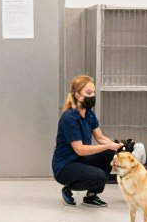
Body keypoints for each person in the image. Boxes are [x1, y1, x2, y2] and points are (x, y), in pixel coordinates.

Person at [52, 75, 124, 207]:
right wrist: (108, 145)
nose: (92, 96)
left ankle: (91, 196)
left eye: (94, 92)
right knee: (99, 176)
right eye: (88, 93)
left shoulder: (89, 113)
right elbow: (80, 149)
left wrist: (118, 146)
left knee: (109, 153)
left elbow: (100, 137)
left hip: (80, 160)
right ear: (77, 95)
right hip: (64, 167)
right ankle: (68, 189)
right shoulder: (70, 118)